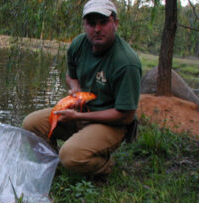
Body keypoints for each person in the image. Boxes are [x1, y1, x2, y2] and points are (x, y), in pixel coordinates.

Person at [22, 0, 142, 176]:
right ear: (84, 25)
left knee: (71, 156)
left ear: (115, 23)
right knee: (31, 124)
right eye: (91, 23)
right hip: (80, 112)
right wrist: (76, 89)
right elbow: (71, 75)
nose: (97, 29)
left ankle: (104, 167)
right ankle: (52, 167)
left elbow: (126, 115)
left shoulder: (126, 63)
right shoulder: (78, 44)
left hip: (111, 123)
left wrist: (79, 116)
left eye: (103, 22)